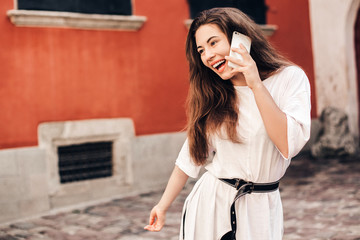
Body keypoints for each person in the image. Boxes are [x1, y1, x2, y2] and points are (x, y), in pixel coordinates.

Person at [144, 7, 311, 240]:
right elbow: (190, 157)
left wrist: (255, 84)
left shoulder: (289, 79)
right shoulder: (215, 96)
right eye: (201, 50)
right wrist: (162, 206)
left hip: (263, 207)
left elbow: (287, 144)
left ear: (240, 38)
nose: (208, 55)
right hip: (212, 206)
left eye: (213, 43)